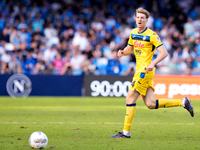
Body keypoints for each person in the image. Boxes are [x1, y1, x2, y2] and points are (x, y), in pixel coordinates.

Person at [110, 7, 194, 139]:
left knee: (130, 98)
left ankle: (125, 132)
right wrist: (122, 52)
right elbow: (130, 48)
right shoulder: (133, 33)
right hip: (140, 70)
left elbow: (164, 53)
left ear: (147, 20)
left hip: (145, 71)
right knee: (150, 104)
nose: (140, 20)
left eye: (142, 18)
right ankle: (183, 102)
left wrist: (153, 63)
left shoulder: (152, 35)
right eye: (138, 17)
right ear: (135, 19)